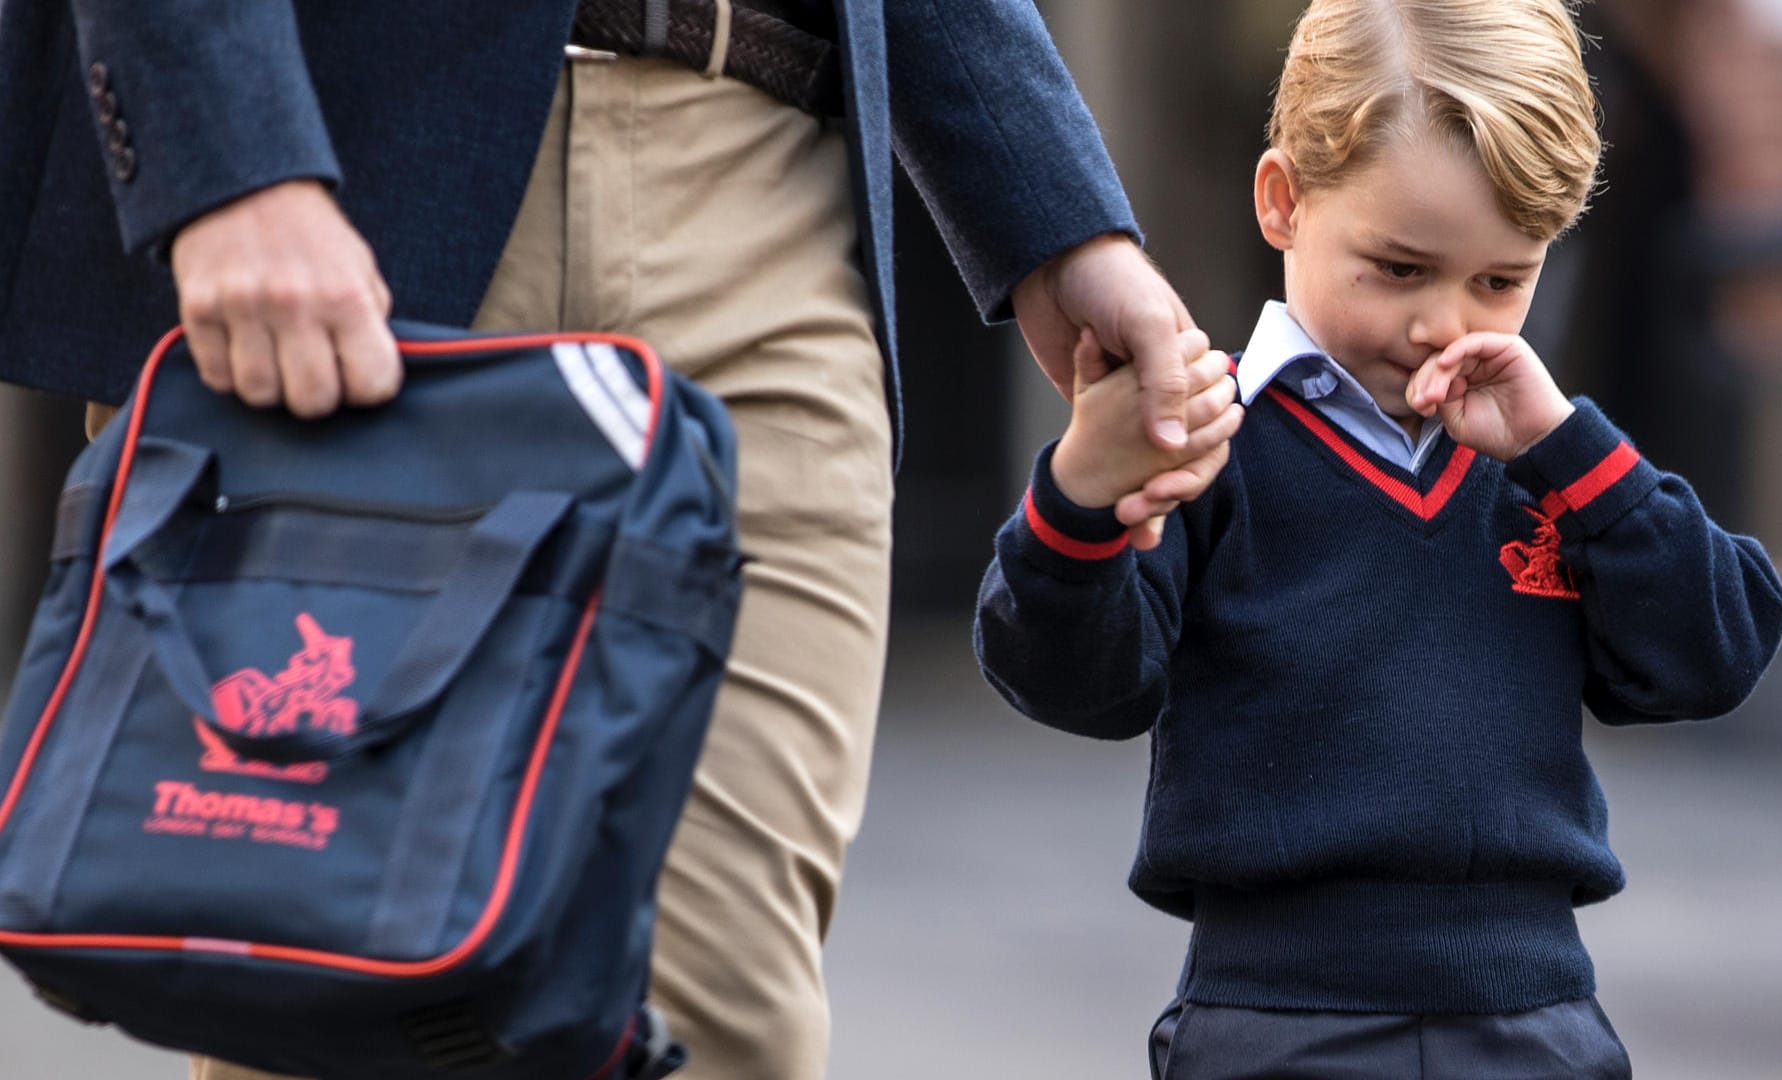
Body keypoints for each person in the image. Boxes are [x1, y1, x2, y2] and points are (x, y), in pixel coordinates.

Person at [0, 2, 1242, 1078]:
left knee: (717, 1021)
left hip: (756, 184)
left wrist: (1058, 217)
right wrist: (229, 150)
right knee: (328, 994)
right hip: (346, 185)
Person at [973, 1, 1782, 1075]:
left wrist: (1569, 453)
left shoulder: (1551, 462)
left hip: (1533, 1018)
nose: (1446, 324)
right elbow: (1077, 683)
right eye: (1400, 268)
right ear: (1284, 201)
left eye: (1501, 280)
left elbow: (1714, 656)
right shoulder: (1211, 442)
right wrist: (1081, 494)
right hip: (1271, 1022)